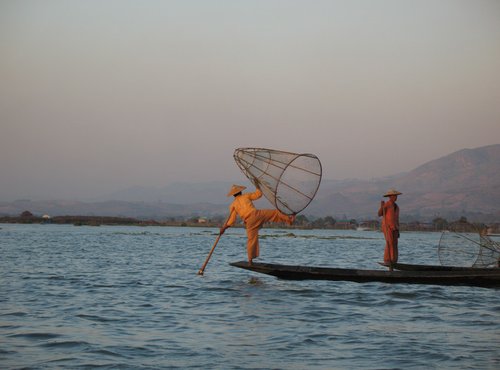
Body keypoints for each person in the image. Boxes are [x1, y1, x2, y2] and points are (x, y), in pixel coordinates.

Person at [220, 184, 295, 264]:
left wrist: (224, 228)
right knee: (275, 213)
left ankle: (250, 260)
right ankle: (289, 220)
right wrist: (258, 186)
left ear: (233, 195)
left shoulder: (233, 205)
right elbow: (258, 194)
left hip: (249, 221)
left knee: (251, 240)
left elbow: (231, 221)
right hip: (257, 215)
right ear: (240, 192)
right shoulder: (245, 196)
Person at [378, 189, 402, 270]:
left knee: (395, 243)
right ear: (390, 197)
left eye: (396, 196)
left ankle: (394, 260)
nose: (396, 197)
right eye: (394, 196)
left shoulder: (397, 206)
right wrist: (381, 206)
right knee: (389, 242)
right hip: (387, 226)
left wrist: (398, 230)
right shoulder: (387, 204)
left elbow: (397, 219)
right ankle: (388, 260)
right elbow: (379, 214)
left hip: (395, 227)